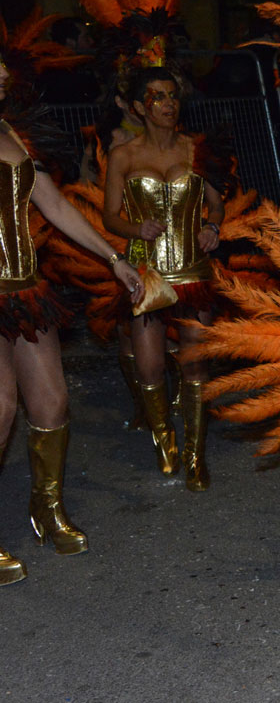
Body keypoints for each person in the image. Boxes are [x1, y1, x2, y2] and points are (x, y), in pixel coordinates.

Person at [1, 57, 143, 584]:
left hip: (22, 287)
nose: (0, 72)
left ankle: (47, 508)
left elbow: (56, 206)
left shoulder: (10, 132)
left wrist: (114, 258)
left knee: (53, 401)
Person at [102, 67, 226, 491]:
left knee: (196, 364)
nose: (168, 103)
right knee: (151, 367)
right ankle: (164, 439)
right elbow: (109, 216)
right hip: (148, 273)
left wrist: (213, 227)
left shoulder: (197, 150)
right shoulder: (124, 155)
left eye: (172, 95)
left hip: (194, 271)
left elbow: (215, 203)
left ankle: (196, 454)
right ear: (139, 106)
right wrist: (135, 230)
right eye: (156, 96)